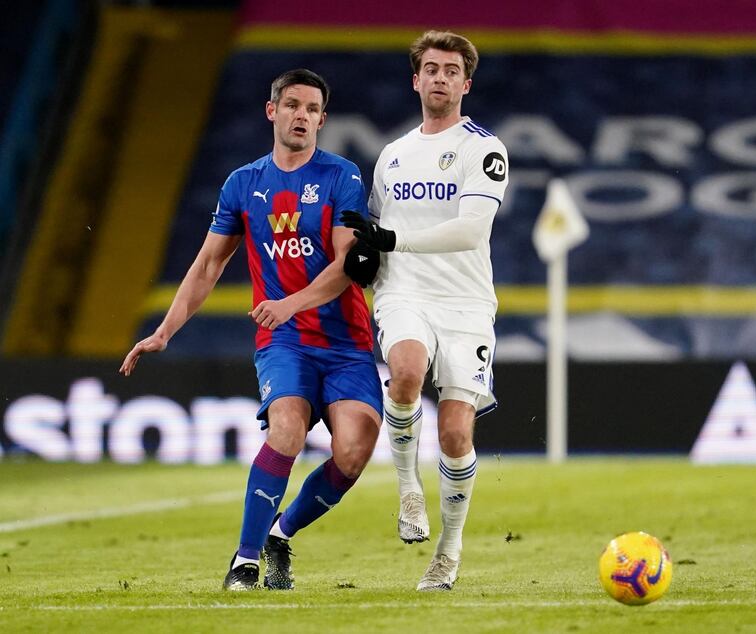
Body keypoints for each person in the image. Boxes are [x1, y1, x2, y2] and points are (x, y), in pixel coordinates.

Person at [120, 68, 383, 591]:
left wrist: (290, 302)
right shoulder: (243, 183)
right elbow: (206, 267)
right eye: (292, 105)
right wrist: (166, 331)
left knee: (353, 452)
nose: (301, 115)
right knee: (285, 430)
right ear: (272, 111)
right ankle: (244, 561)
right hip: (283, 342)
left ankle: (280, 533)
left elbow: (348, 263)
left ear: (322, 120)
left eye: (312, 109)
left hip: (346, 341)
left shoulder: (343, 176)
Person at [343, 30, 509, 591]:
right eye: (431, 68)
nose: (440, 77)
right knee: (406, 374)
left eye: (451, 69)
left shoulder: (484, 148)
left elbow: (471, 229)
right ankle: (409, 489)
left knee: (457, 435)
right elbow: (372, 234)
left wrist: (391, 240)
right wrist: (367, 255)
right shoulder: (392, 155)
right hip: (403, 292)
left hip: (466, 303)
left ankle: (449, 551)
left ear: (466, 82)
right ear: (416, 80)